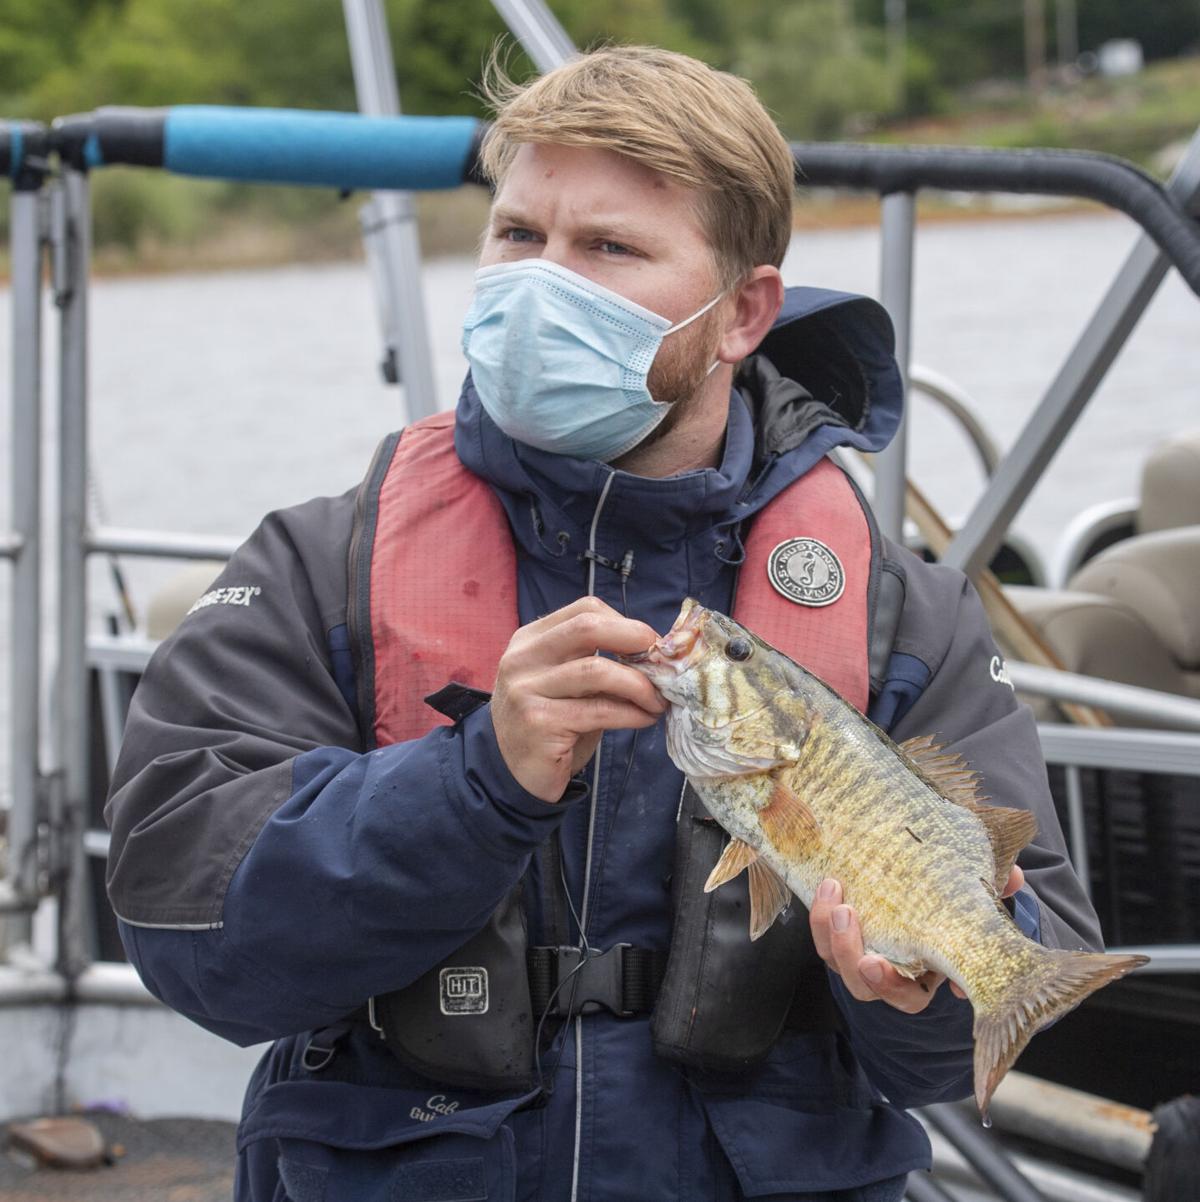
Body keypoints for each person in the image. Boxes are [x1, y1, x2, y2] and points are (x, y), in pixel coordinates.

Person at [105, 45, 1104, 1202]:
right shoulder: (322, 559)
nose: (543, 282)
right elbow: (185, 926)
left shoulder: (899, 610)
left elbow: (1018, 983)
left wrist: (917, 991)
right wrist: (474, 781)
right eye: (519, 235)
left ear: (742, 314)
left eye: (609, 248)